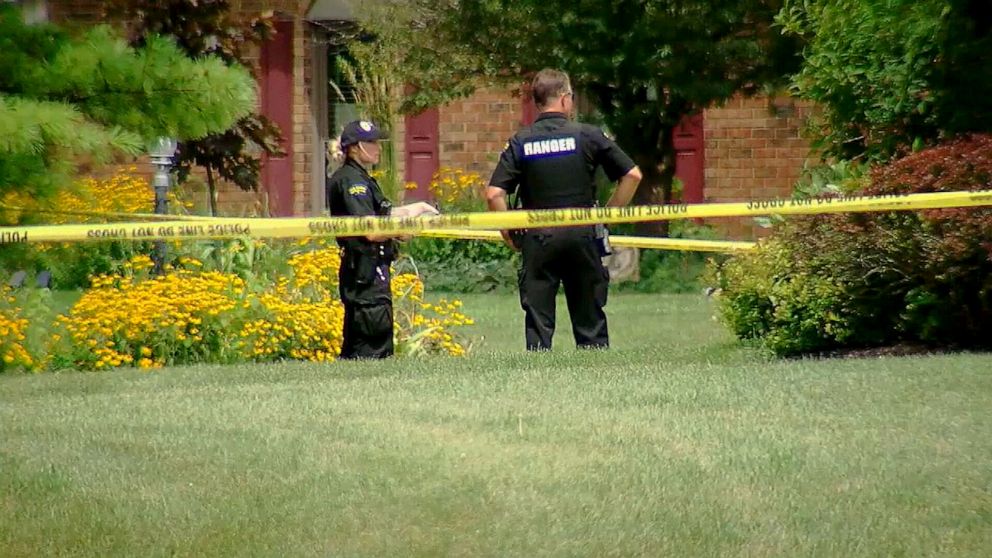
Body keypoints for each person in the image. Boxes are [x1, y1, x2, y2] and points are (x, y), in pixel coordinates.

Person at [486, 69, 643, 351]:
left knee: (538, 321)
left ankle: (539, 365)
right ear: (564, 98)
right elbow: (632, 175)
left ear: (538, 102)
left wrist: (507, 231)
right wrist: (608, 215)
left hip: (538, 238)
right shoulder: (587, 135)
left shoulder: (521, 141)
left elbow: (494, 193)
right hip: (583, 236)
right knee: (590, 320)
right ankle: (593, 359)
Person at [326, 120, 438, 359]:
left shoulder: (362, 178)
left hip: (371, 272)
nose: (377, 147)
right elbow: (370, 230)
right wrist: (398, 230)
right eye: (371, 142)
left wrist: (415, 209)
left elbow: (382, 214)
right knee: (372, 346)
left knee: (368, 343)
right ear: (355, 148)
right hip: (364, 274)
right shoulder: (352, 182)